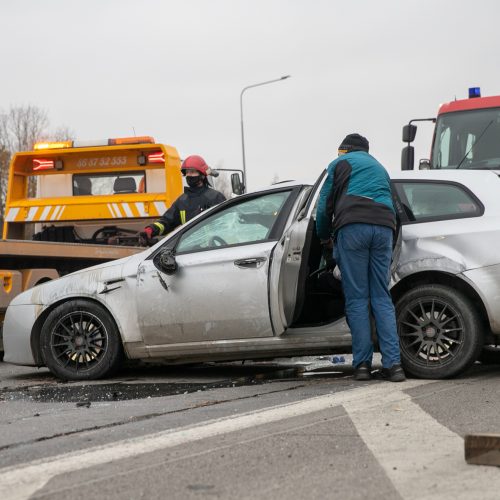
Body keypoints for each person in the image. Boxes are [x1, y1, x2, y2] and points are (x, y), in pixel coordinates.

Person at [316, 133, 405, 382]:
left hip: (353, 226)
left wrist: (324, 236)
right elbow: (395, 205)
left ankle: (363, 365)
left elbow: (324, 206)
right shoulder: (380, 167)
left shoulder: (338, 165)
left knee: (357, 298)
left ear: (346, 150)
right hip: (384, 228)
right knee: (381, 296)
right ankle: (394, 365)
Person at [140, 155, 226, 244]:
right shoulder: (182, 201)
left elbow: (226, 225)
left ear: (202, 175)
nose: (189, 175)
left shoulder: (215, 197)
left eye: (192, 172)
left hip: (213, 249)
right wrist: (151, 230)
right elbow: (167, 222)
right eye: (187, 172)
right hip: (188, 251)